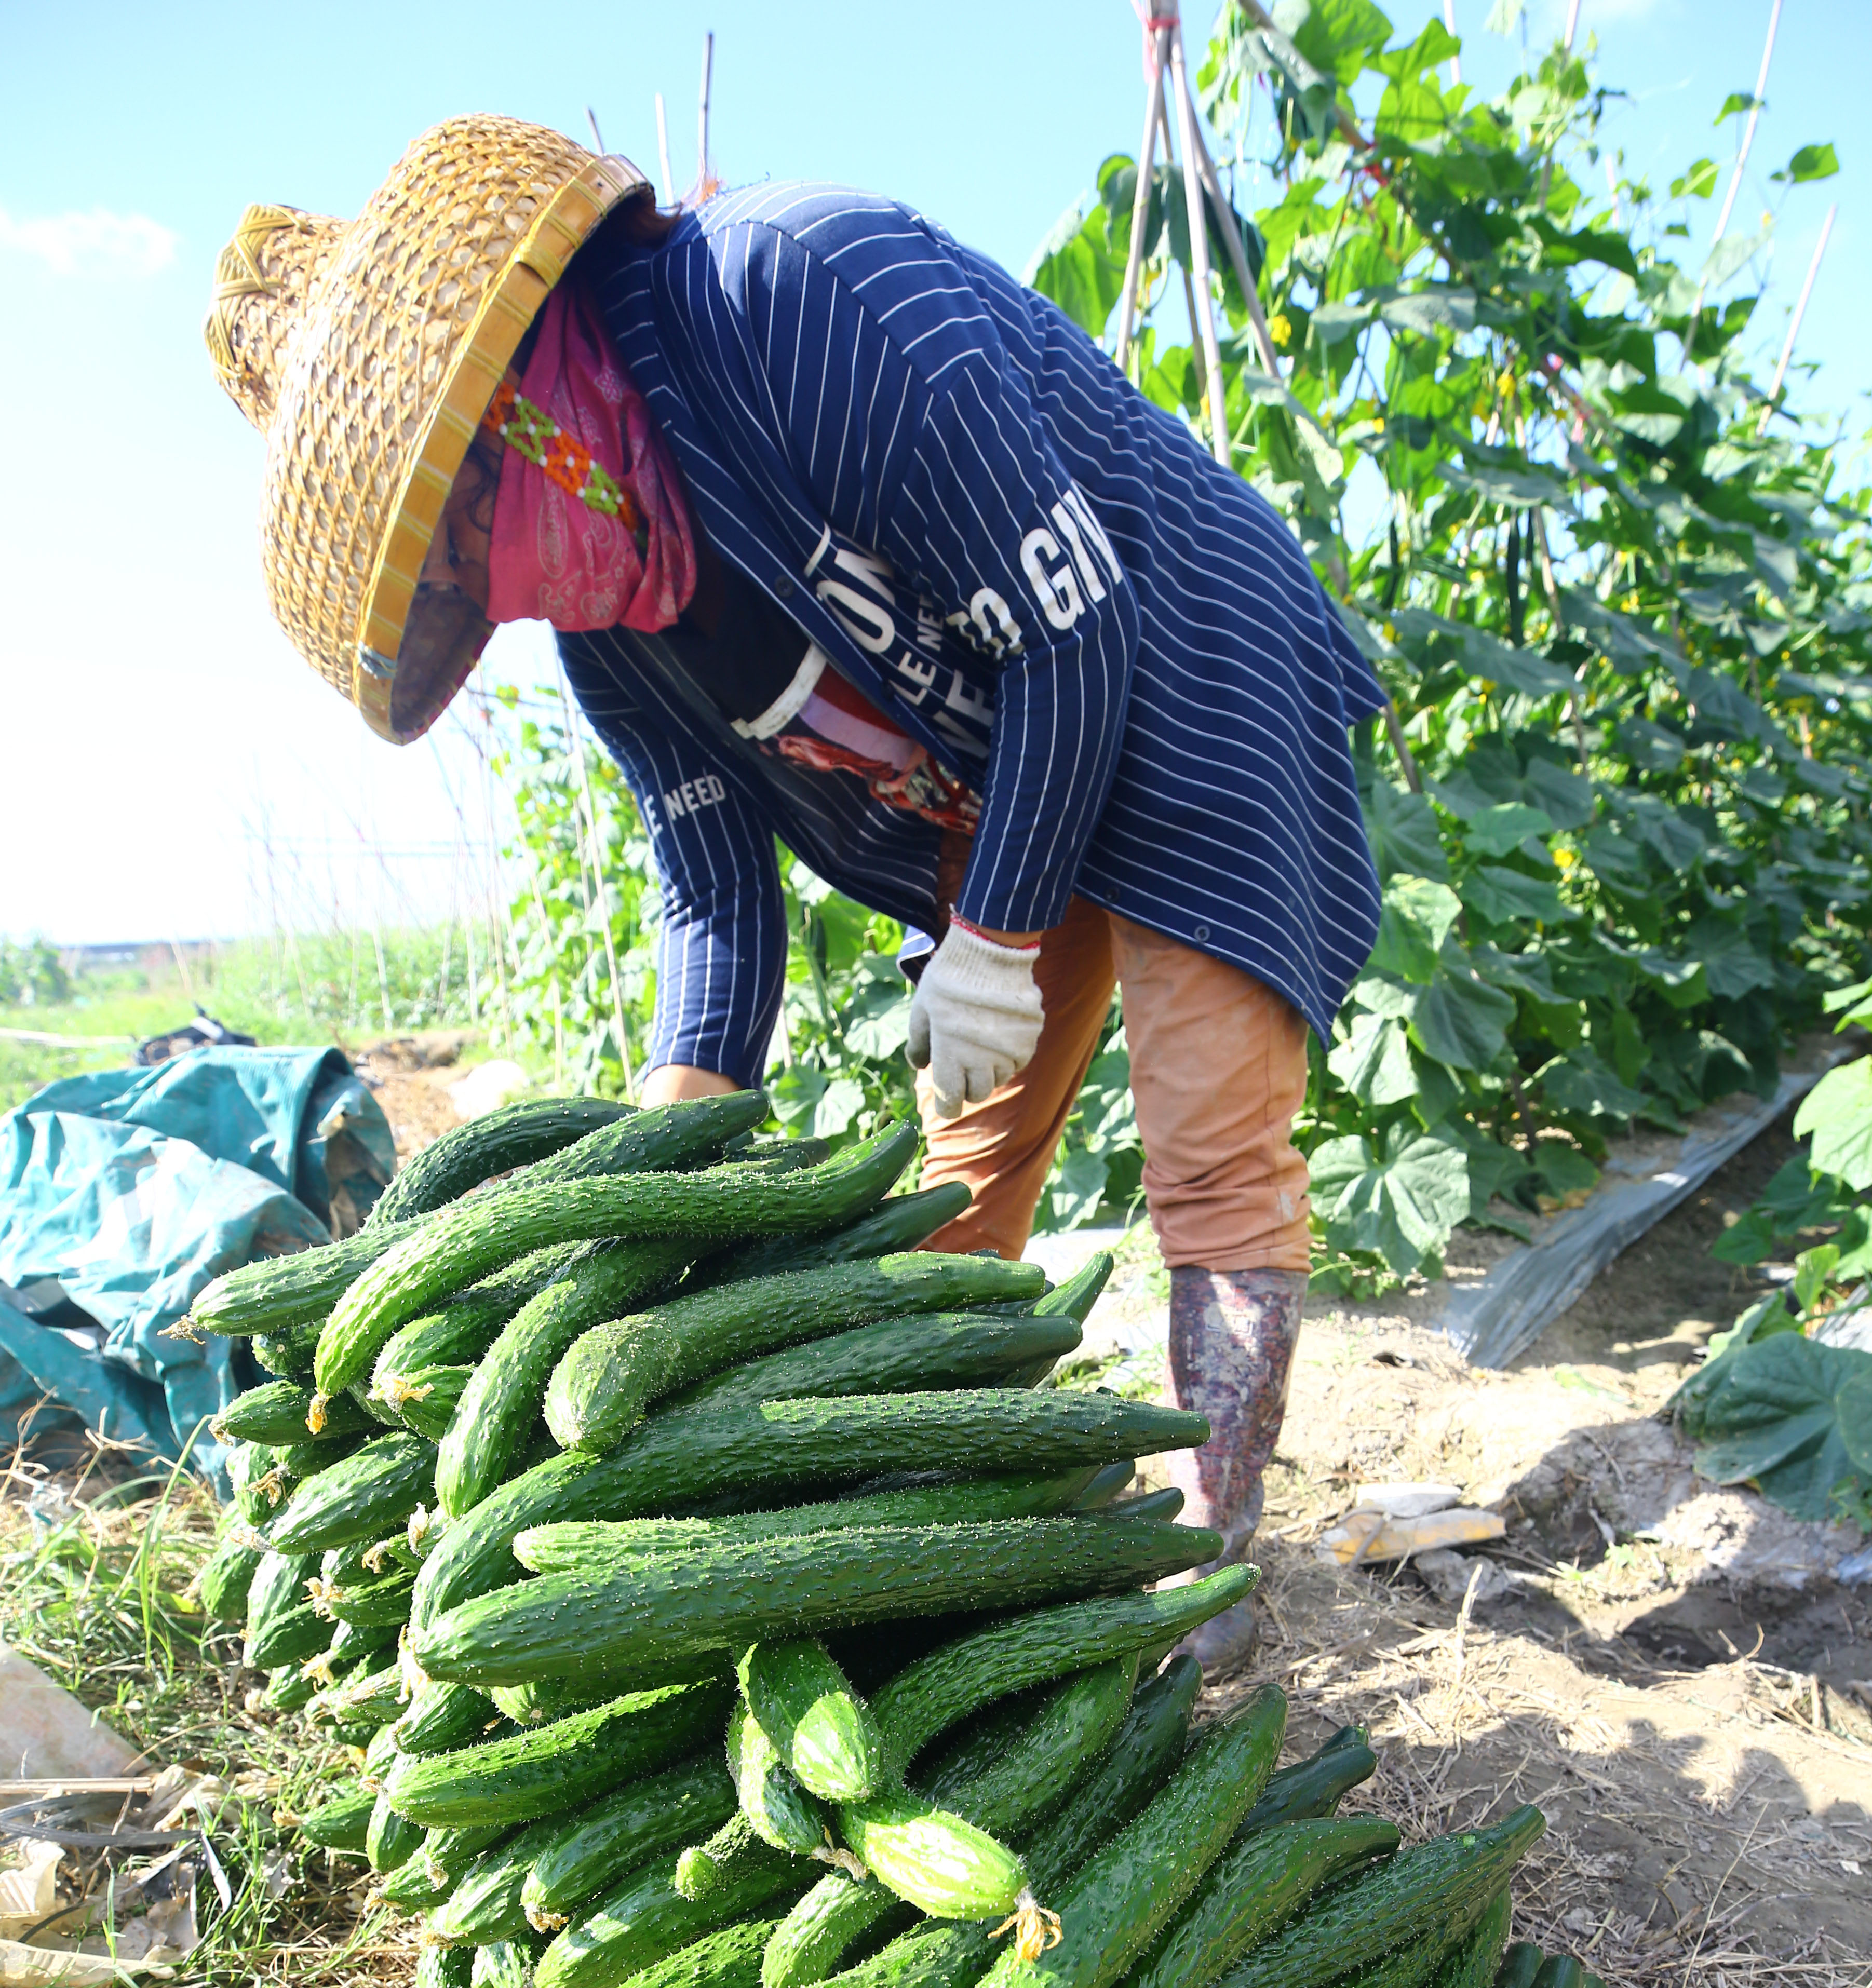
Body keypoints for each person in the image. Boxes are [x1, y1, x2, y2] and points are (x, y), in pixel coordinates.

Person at [206, 116, 1383, 1672]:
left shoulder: (797, 296)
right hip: (998, 773)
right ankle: (938, 1516)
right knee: (958, 1195)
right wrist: (658, 1167)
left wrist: (996, 941)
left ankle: (1204, 1590)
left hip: (1179, 670)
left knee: (1211, 1157)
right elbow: (714, 894)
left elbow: (1074, 633)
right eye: (454, 580)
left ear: (515, 403)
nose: (492, 586)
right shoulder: (615, 633)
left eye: (467, 528)